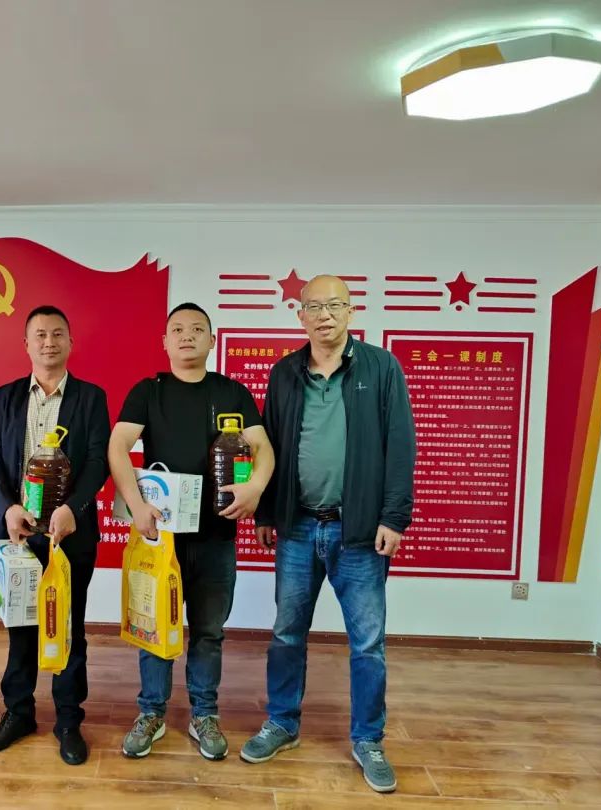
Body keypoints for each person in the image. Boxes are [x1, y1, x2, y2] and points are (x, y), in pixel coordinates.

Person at [240, 274, 416, 795]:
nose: (324, 315)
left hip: (358, 531)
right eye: (314, 307)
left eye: (334, 305)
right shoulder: (285, 373)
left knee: (368, 643)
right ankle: (282, 722)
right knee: (286, 633)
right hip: (297, 526)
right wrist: (267, 512)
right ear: (300, 316)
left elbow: (401, 445)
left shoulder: (381, 368)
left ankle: (368, 739)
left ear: (351, 311)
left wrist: (394, 518)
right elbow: (268, 446)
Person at [109, 302, 274, 762]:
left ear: (211, 340)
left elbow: (263, 447)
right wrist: (136, 505)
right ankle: (151, 712)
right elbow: (118, 445)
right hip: (161, 538)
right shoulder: (149, 391)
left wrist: (256, 488)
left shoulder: (232, 392)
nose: (187, 336)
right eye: (178, 329)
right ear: (164, 341)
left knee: (208, 631)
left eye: (198, 329)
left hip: (216, 537)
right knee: (153, 627)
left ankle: (205, 713)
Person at [0, 305, 110, 766]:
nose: (48, 342)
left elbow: (98, 461)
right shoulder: (7, 396)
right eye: (40, 335)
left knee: (68, 628)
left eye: (57, 334)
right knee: (20, 628)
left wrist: (73, 509)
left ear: (70, 342)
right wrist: (7, 507)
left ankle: (69, 721)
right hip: (18, 533)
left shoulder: (90, 397)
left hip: (69, 534)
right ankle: (18, 713)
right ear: (26, 344)